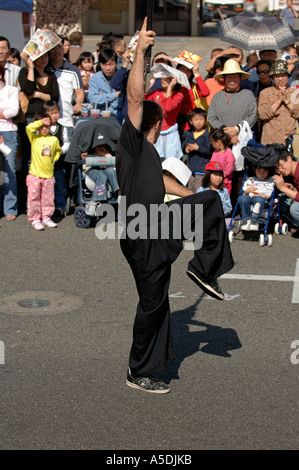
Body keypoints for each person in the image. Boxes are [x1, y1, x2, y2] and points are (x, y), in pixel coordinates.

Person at [116, 18, 234, 394]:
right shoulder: (133, 143)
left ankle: (204, 269)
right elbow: (136, 98)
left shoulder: (148, 153)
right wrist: (140, 52)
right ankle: (139, 371)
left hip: (156, 224)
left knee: (210, 199)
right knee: (153, 305)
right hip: (143, 229)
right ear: (152, 121)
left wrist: (191, 197)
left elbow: (164, 182)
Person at [25, 112, 61, 230]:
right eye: (42, 127)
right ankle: (35, 219)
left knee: (48, 198)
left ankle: (46, 217)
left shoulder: (53, 139)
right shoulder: (34, 138)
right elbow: (29, 128)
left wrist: (54, 159)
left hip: (49, 175)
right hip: (35, 174)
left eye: (47, 126)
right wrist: (41, 122)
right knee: (33, 198)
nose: (45, 129)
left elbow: (58, 151)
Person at [48, 41, 85, 140]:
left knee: (66, 150)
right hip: (46, 120)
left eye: (59, 47)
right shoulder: (44, 67)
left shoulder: (72, 70)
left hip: (66, 118)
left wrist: (78, 103)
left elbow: (79, 91)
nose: (56, 50)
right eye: (53, 47)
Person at [258, 59, 299, 145]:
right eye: (277, 76)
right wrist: (279, 100)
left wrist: (286, 100)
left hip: (290, 138)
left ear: (288, 76)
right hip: (270, 139)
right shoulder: (265, 93)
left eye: (283, 75)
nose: (280, 79)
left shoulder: (295, 92)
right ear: (272, 77)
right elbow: (262, 114)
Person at [43, 100, 70, 217]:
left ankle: (60, 206)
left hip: (59, 163)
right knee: (46, 187)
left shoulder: (62, 128)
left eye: (56, 113)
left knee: (60, 185)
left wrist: (60, 151)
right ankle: (46, 207)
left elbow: (67, 143)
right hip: (45, 164)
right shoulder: (43, 129)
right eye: (51, 113)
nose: (54, 116)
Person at [0, 63, 19, 220]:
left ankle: (10, 208)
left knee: (10, 171)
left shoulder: (11, 90)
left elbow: (14, 110)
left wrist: (3, 114)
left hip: (9, 133)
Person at [81, 143, 120, 216]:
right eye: (99, 147)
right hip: (92, 171)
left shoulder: (108, 155)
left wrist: (107, 155)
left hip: (105, 170)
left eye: (104, 147)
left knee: (111, 171)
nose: (102, 148)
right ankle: (93, 202)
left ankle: (119, 195)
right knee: (101, 177)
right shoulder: (90, 155)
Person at [19, 53, 60, 121]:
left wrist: (37, 95)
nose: (44, 59)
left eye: (46, 56)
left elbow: (55, 98)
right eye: (40, 56)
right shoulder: (25, 72)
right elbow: (28, 91)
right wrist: (31, 69)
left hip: (47, 118)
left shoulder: (51, 74)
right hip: (31, 117)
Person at [88, 49, 124, 124]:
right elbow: (93, 100)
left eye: (111, 64)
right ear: (100, 64)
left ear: (116, 63)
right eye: (104, 64)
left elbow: (120, 103)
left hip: (120, 118)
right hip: (101, 118)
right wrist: (115, 95)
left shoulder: (123, 77)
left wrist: (103, 97)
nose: (107, 68)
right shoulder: (95, 78)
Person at [181, 108, 212, 192]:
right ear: (191, 121)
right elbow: (185, 150)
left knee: (200, 194)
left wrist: (198, 148)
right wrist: (187, 150)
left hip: (202, 172)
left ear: (205, 121)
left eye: (201, 119)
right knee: (190, 192)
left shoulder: (207, 136)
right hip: (191, 172)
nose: (198, 122)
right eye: (196, 120)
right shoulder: (189, 136)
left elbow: (210, 151)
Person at [238, 165, 275, 231]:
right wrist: (247, 191)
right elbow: (246, 187)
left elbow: (270, 190)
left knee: (258, 200)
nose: (262, 173)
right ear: (254, 170)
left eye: (264, 170)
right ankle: (245, 220)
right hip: (250, 196)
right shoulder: (252, 179)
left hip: (261, 198)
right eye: (259, 171)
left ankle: (254, 221)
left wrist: (265, 196)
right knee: (242, 198)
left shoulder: (270, 180)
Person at [273, 148, 299, 234]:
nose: (280, 170)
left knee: (294, 209)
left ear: (289, 159)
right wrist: (292, 189)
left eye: (281, 165)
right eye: (277, 169)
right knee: (282, 201)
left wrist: (282, 188)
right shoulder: (295, 172)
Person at [209, 128, 235, 195]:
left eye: (213, 144)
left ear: (218, 142)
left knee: (223, 200)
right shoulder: (215, 152)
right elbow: (211, 164)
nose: (213, 146)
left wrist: (222, 176)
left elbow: (230, 167)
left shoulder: (228, 152)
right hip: (215, 183)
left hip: (225, 183)